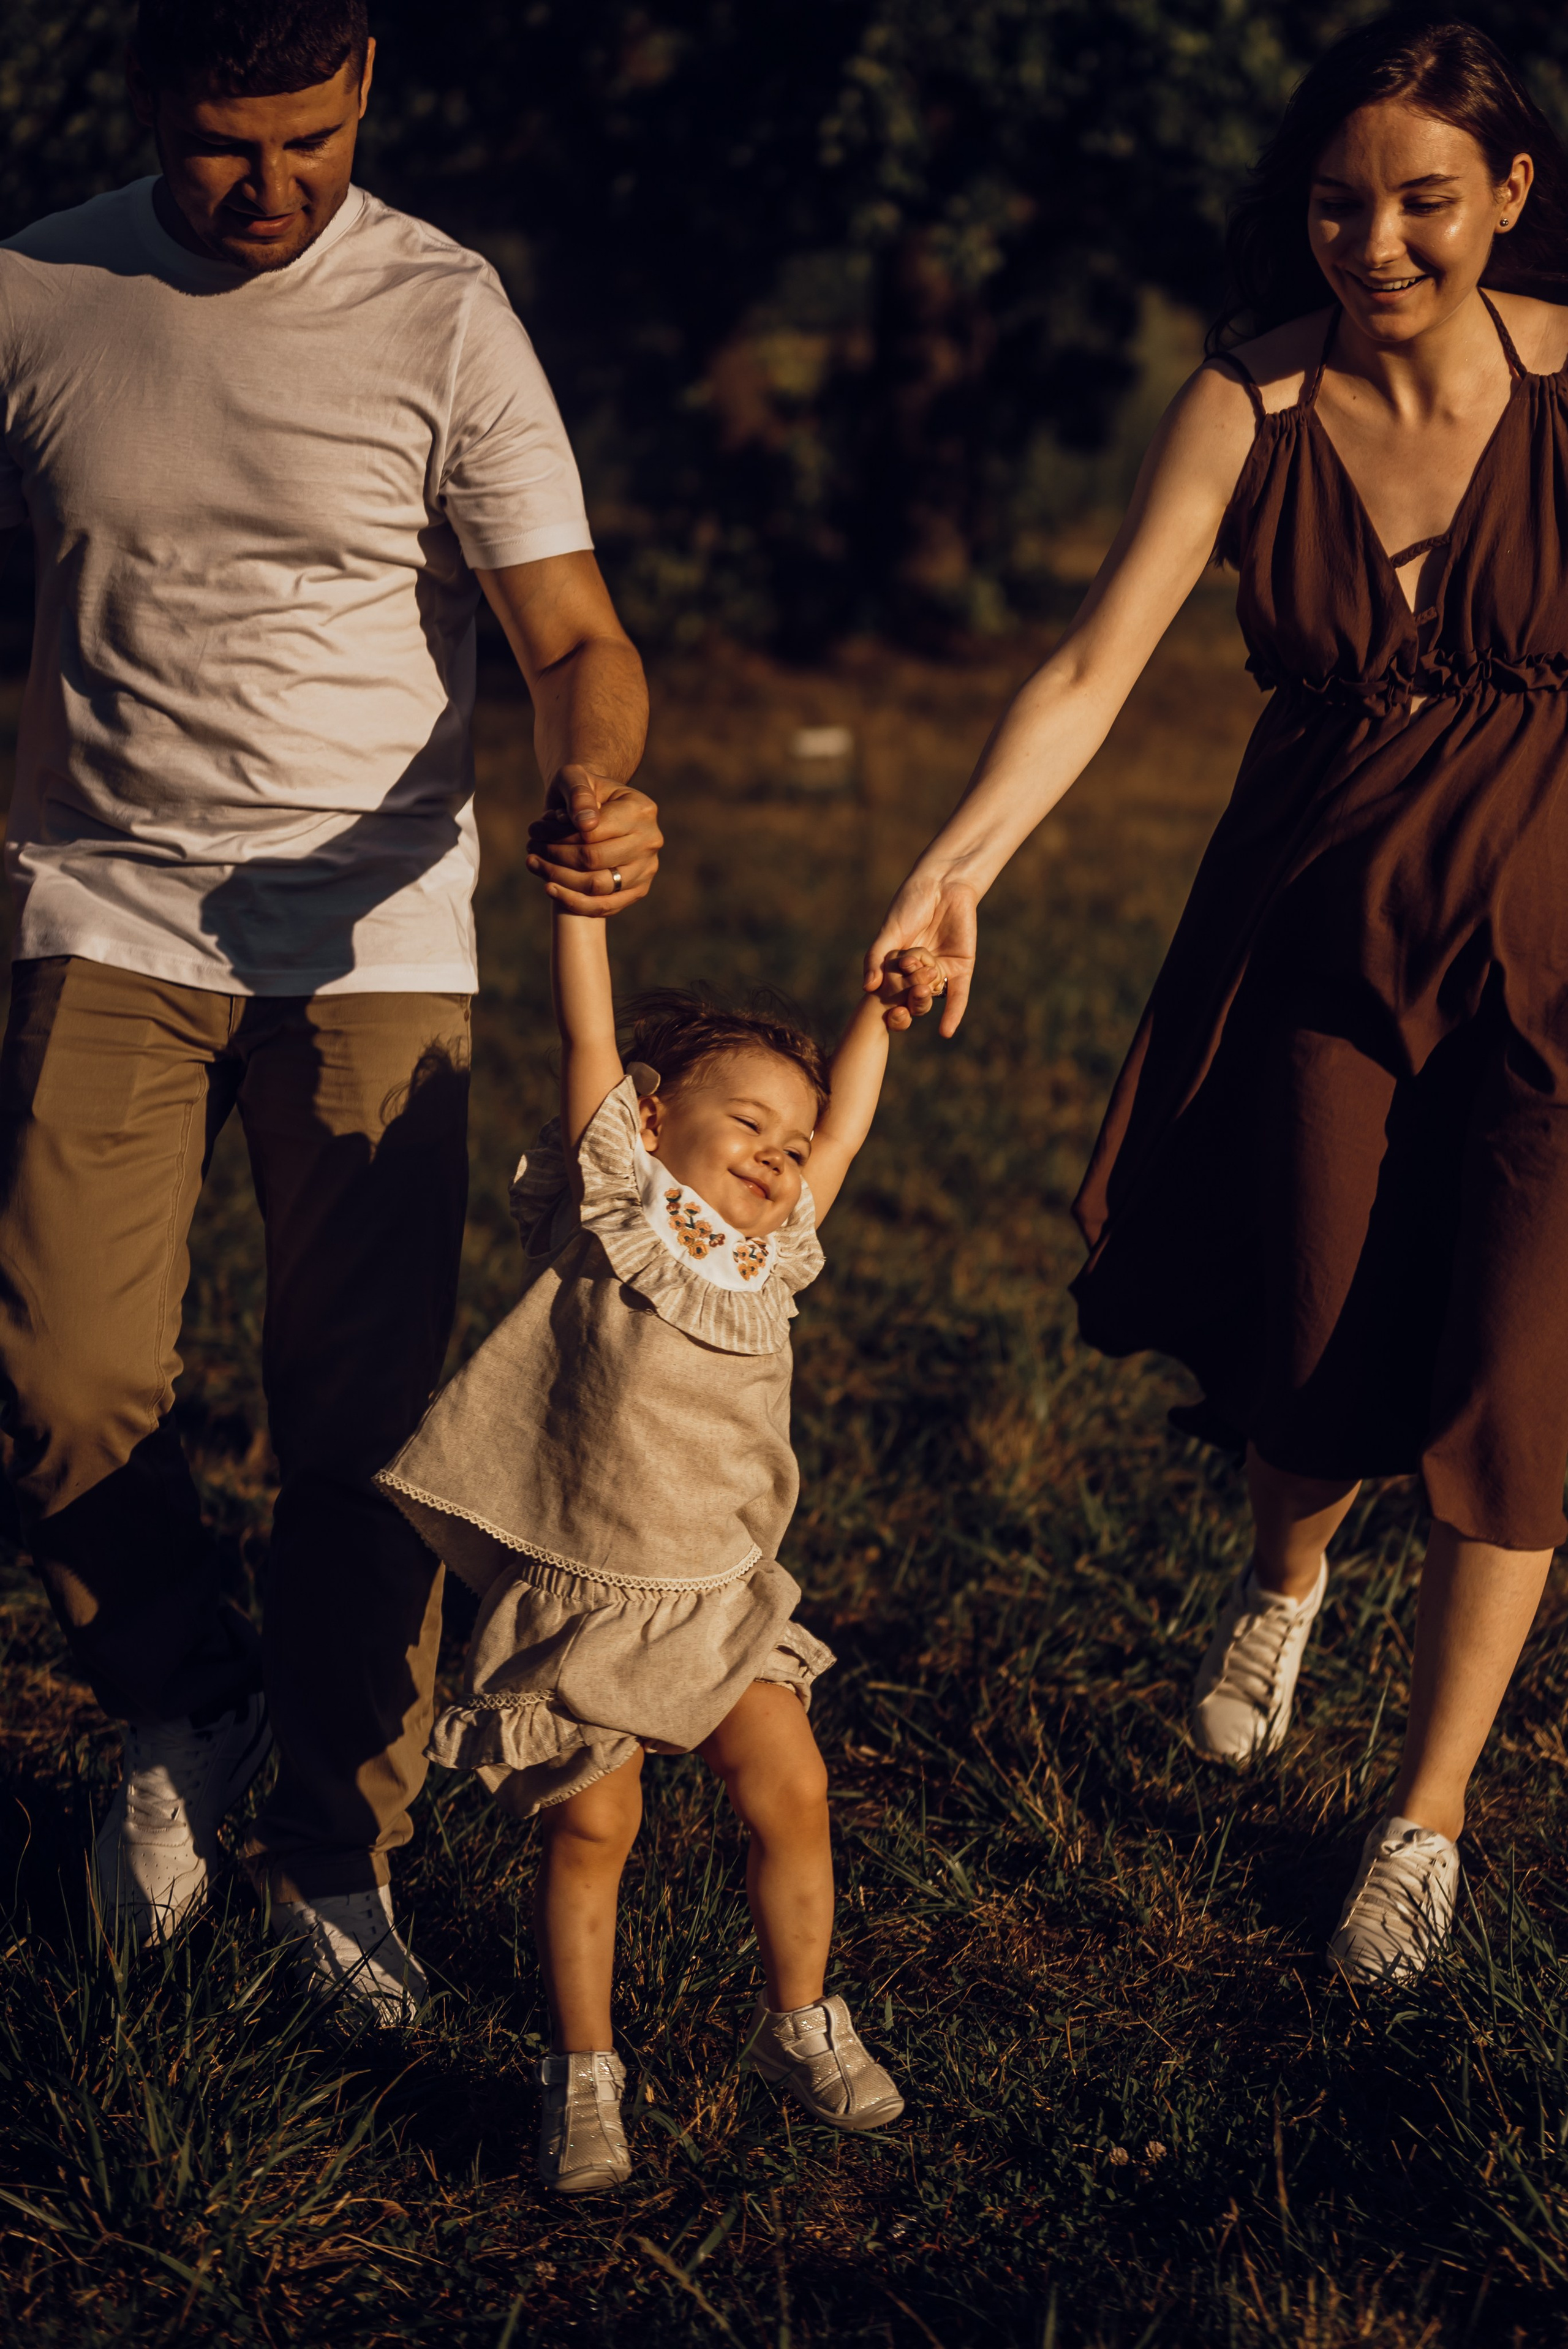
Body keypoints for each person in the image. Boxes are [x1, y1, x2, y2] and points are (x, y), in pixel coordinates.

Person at [860, 15, 1568, 1984]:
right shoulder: (1248, 400)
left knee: (1515, 1377)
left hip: (1552, 961)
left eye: (1426, 200)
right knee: (1313, 1333)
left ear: (1511, 194)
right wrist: (959, 865)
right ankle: (1284, 1574)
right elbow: (1093, 672)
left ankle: (1420, 1818)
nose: (1379, 242)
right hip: (1319, 936)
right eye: (1341, 202)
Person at [0, 0, 658, 2016]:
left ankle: (333, 1848)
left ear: (368, 80)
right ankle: (182, 1704)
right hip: (100, 908)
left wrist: (600, 778)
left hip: (372, 945)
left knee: (356, 1423)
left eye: (310, 140)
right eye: (223, 147)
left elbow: (573, 634)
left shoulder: (443, 314)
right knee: (54, 1377)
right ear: (142, 105)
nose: (272, 189)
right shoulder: (37, 291)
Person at [375, 885, 921, 2188]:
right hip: (586, 1595)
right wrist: (580, 917)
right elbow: (585, 1039)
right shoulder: (611, 1205)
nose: (781, 1155)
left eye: (793, 1142)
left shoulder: (773, 1249)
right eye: (749, 1122)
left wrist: (876, 1012)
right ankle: (582, 2077)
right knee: (593, 1832)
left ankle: (800, 2022)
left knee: (790, 1790)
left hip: (716, 1596)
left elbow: (843, 1130)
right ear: (654, 1112)